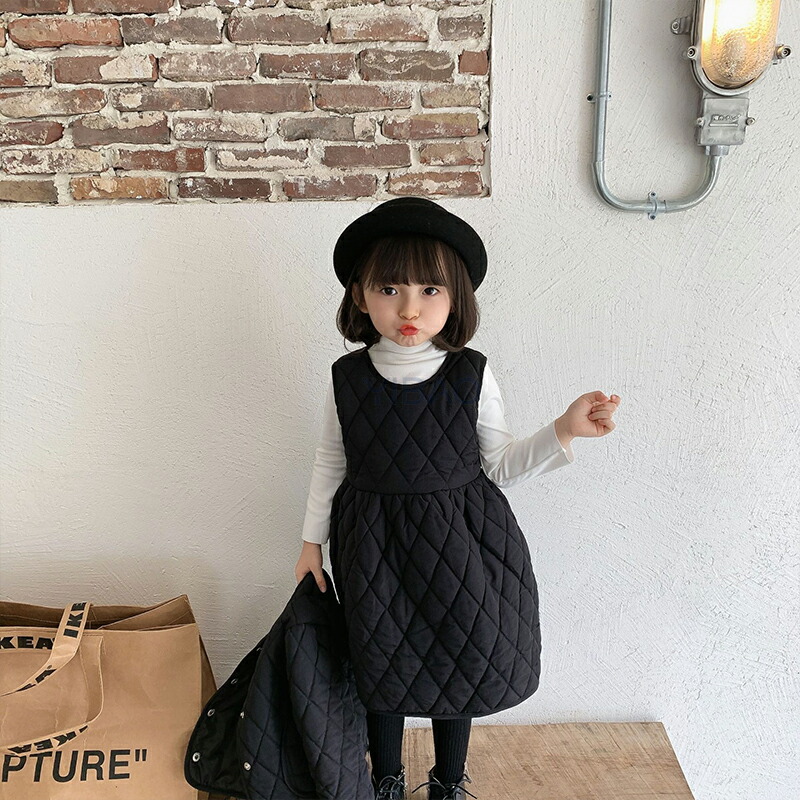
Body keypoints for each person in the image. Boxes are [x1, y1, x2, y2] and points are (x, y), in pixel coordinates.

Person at [294, 197, 621, 800]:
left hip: (460, 542)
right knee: (380, 658)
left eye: (429, 290)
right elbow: (330, 461)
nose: (409, 308)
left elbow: (499, 464)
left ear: (457, 299)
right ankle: (386, 780)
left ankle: (447, 782)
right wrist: (311, 543)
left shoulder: (470, 372)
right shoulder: (348, 378)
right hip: (372, 545)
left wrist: (564, 430)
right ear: (360, 296)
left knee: (459, 656)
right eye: (389, 288)